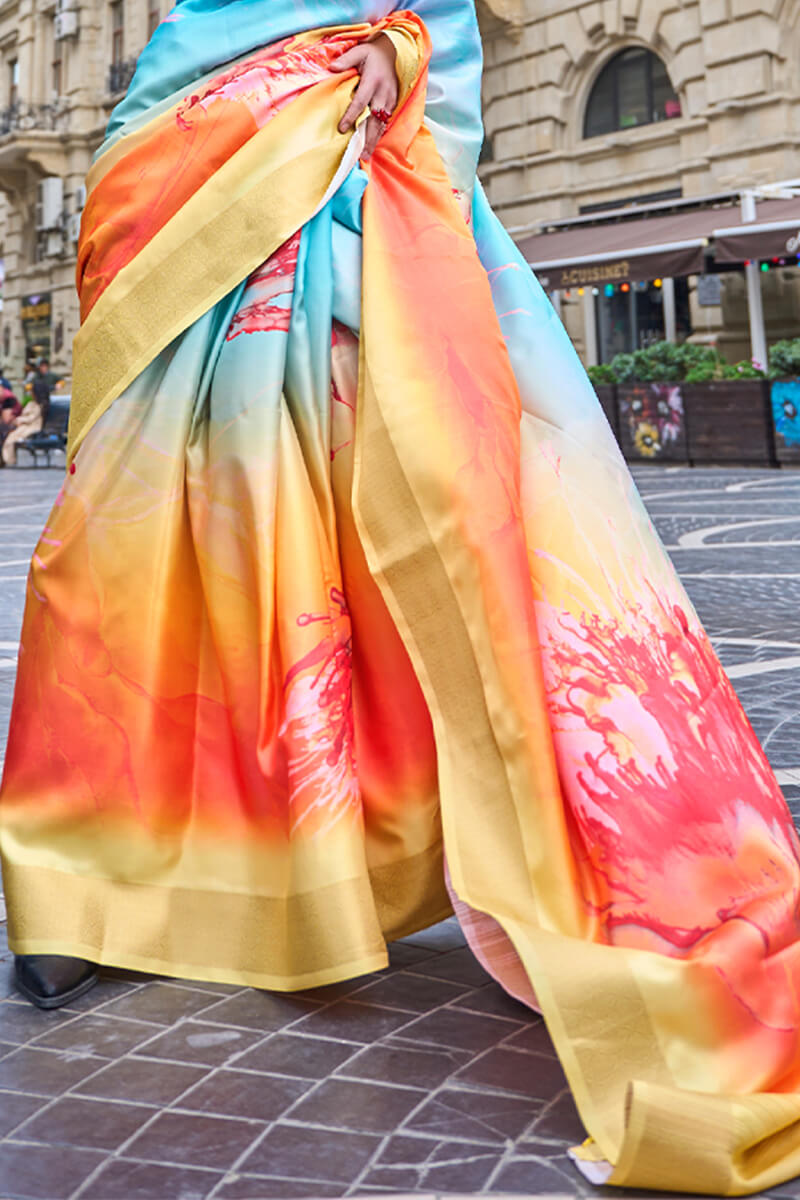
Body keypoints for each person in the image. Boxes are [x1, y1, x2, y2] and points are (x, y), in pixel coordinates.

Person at [2, 2, 800, 1192]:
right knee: (133, 555)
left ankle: (440, 853)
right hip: (184, 148)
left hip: (344, 161)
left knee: (421, 522)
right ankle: (91, 880)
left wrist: (402, 45)